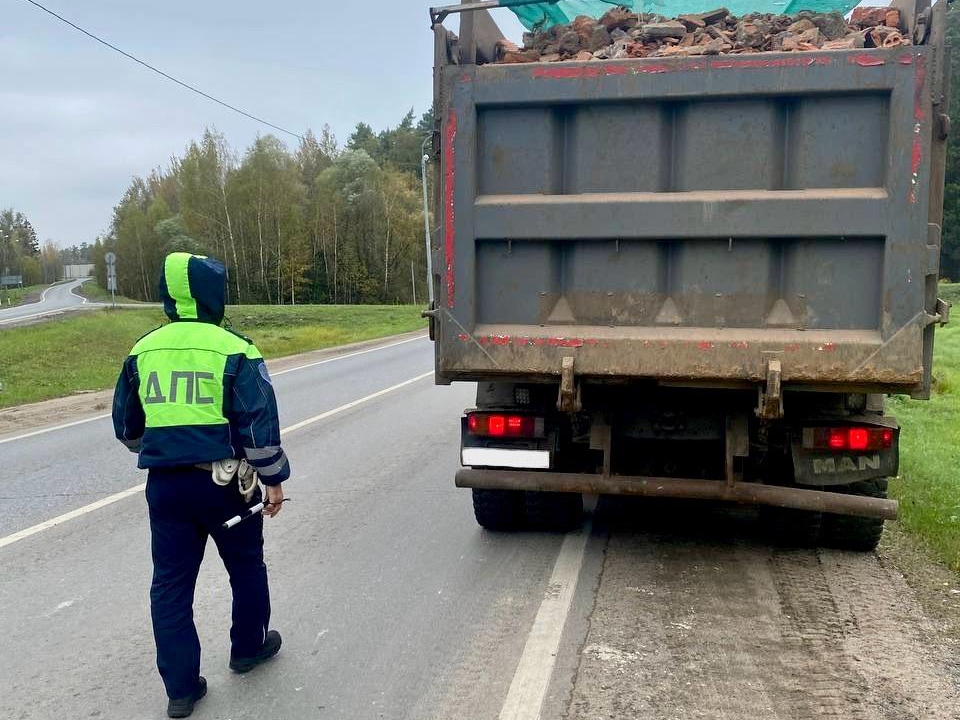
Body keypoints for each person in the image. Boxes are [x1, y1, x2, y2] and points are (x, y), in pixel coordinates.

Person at [112, 252, 290, 718]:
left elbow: (127, 427)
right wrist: (273, 480)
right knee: (247, 568)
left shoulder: (142, 350)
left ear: (167, 294)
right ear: (215, 294)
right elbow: (258, 428)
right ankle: (248, 649)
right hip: (228, 485)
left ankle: (182, 689)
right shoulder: (237, 349)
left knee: (170, 585)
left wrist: (165, 450)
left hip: (166, 488)